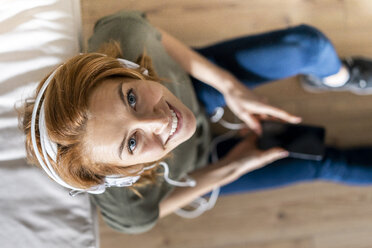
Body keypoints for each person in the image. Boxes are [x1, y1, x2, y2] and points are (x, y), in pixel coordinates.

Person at [19, 11, 372, 234]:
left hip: (192, 89)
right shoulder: (124, 205)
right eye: (132, 143)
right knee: (325, 163)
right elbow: (156, 209)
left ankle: (339, 77)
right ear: (123, 174)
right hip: (204, 162)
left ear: (123, 70)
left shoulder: (121, 37)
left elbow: (157, 38)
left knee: (307, 45)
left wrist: (230, 87)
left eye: (131, 98)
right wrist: (234, 167)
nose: (161, 120)